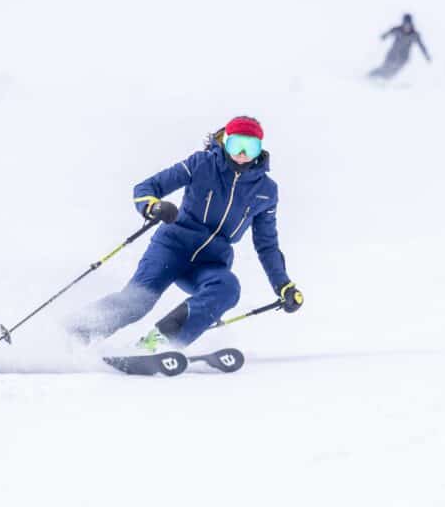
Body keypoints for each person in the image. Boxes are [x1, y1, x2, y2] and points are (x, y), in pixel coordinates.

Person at [68, 115, 303, 352]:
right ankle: (74, 332)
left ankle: (157, 343)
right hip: (171, 249)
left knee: (227, 287)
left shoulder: (266, 191)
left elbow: (267, 245)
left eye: (250, 147)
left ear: (260, 149)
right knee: (138, 302)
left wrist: (283, 285)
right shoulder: (201, 164)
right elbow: (146, 188)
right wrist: (152, 206)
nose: (242, 152)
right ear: (225, 142)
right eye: (236, 144)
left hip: (210, 262)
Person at [369, 13, 431, 80]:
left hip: (403, 57)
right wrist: (384, 36)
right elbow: (389, 32)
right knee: (385, 67)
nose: (407, 27)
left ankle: (383, 81)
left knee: (393, 71)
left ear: (411, 24)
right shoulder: (397, 30)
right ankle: (371, 76)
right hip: (392, 54)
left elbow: (421, 46)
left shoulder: (414, 35)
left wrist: (426, 55)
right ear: (403, 24)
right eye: (405, 24)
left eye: (409, 24)